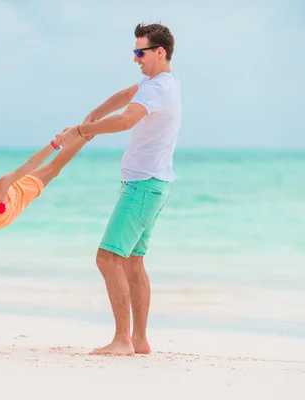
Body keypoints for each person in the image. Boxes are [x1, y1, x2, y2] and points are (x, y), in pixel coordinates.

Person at [56, 23, 181, 356]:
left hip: (142, 187)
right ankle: (138, 340)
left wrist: (83, 130)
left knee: (107, 258)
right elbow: (126, 96)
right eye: (134, 52)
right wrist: (96, 114)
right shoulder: (158, 82)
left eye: (141, 52)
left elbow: (127, 120)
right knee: (132, 262)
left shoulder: (157, 89)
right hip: (155, 185)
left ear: (160, 52)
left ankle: (122, 340)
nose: (136, 58)